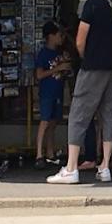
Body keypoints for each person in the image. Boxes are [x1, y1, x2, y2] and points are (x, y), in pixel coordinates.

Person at [48, 0, 112, 184]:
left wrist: (86, 56)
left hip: (93, 67)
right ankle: (105, 166)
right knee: (109, 114)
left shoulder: (92, 5)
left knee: (79, 114)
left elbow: (80, 39)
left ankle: (71, 168)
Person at [34, 20, 71, 169]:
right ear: (51, 36)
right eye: (59, 35)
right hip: (47, 91)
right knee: (45, 121)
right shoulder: (44, 54)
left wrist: (66, 67)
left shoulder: (59, 53)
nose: (61, 38)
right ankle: (39, 154)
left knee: (54, 122)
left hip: (58, 91)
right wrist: (58, 69)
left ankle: (50, 153)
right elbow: (39, 75)